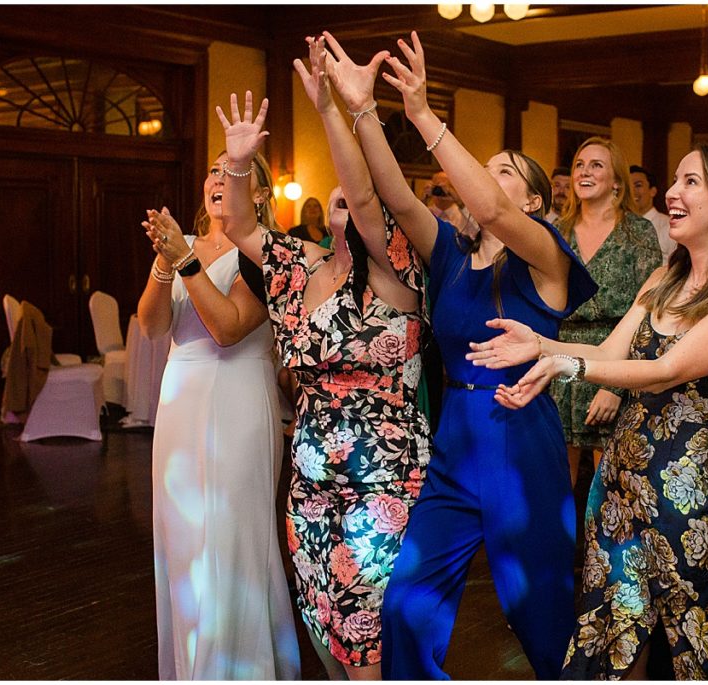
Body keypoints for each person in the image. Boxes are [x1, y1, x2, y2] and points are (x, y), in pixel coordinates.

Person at [320, 30, 597, 679]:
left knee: (543, 619)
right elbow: (392, 195)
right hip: (455, 447)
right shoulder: (447, 253)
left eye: (503, 168)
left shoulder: (546, 259)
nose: (484, 178)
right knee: (406, 607)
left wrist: (422, 112)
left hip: (522, 444)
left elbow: (494, 209)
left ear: (533, 200)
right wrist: (361, 110)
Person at [467, 145, 708, 680]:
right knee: (609, 634)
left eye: (691, 183)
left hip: (686, 503)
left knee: (695, 644)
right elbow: (611, 353)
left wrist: (564, 364)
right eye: (676, 180)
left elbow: (666, 370)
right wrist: (541, 344)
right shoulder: (663, 280)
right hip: (618, 486)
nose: (673, 194)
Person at [218, 69, 432, 679]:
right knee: (323, 623)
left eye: (359, 193)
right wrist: (237, 164)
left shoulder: (398, 276)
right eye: (337, 187)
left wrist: (330, 108)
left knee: (365, 631)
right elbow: (239, 227)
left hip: (384, 482)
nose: (347, 193)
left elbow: (365, 199)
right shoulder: (295, 266)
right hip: (309, 480)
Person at [138, 152, 300, 679]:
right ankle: (192, 666)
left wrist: (184, 260)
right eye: (210, 170)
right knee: (183, 535)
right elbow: (152, 326)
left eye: (231, 173)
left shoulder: (269, 254)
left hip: (239, 398)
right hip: (180, 399)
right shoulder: (182, 245)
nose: (216, 179)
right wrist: (166, 264)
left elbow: (228, 328)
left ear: (256, 195)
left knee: (233, 534)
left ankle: (242, 667)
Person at [553, 139, 662, 488]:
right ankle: (559, 543)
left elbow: (649, 311)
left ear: (617, 180)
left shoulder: (637, 231)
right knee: (557, 474)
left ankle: (602, 544)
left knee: (609, 478)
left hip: (616, 354)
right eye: (579, 165)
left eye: (596, 165)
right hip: (562, 353)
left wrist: (615, 385)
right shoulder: (558, 232)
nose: (585, 171)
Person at [630, 164, 676, 265]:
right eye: (628, 186)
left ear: (653, 191)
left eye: (638, 185)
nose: (632, 191)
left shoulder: (669, 226)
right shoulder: (620, 226)